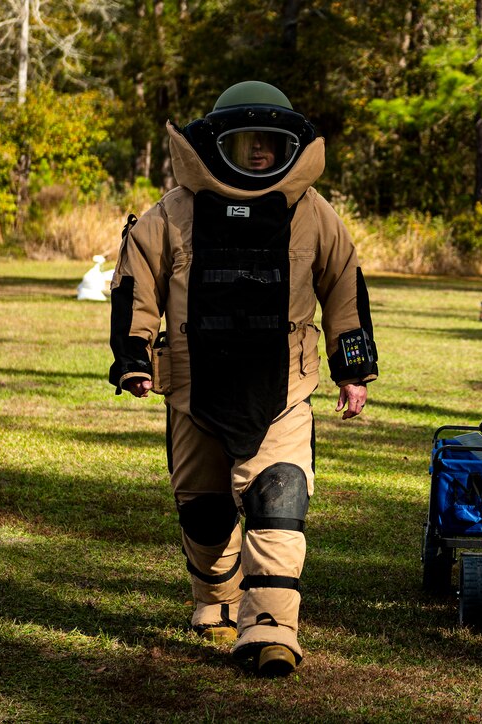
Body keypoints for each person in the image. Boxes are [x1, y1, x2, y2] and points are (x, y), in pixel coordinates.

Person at [108, 81, 378, 677]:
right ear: (218, 143)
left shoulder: (314, 213)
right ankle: (216, 594)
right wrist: (131, 358)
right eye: (246, 141)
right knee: (203, 516)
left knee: (279, 497)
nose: (259, 153)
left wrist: (352, 369)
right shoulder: (172, 212)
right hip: (191, 391)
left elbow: (345, 293)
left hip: (282, 393)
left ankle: (271, 628)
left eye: (271, 142)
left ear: (290, 146)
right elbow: (136, 287)